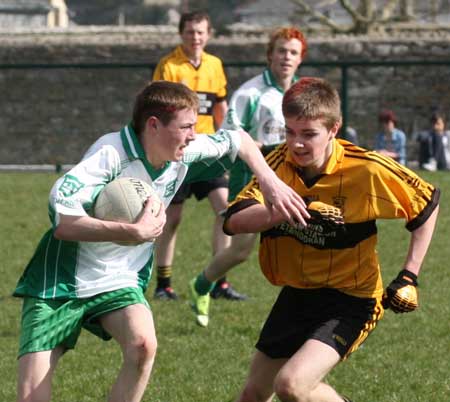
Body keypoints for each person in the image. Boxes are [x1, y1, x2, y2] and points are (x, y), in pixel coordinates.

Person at [14, 81, 310, 402]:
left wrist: (270, 183)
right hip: (61, 282)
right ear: (153, 125)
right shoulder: (110, 154)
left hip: (118, 279)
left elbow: (239, 140)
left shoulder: (181, 151)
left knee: (143, 344)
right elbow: (63, 221)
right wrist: (132, 232)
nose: (194, 135)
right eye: (186, 127)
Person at [222, 77, 439, 402]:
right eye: (290, 132)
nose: (296, 144)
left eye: (309, 134)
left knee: (291, 385)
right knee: (253, 393)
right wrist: (285, 208)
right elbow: (234, 220)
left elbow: (427, 203)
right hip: (298, 293)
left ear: (334, 129)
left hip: (352, 299)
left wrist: (409, 274)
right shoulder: (278, 164)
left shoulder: (367, 169)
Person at [189, 26, 307, 326]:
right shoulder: (251, 93)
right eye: (281, 50)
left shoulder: (302, 93)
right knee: (240, 251)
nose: (286, 57)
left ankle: (302, 314)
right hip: (251, 181)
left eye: (293, 52)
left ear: (300, 59)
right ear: (270, 55)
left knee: (304, 237)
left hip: (293, 179)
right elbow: (228, 134)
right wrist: (253, 146)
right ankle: (201, 284)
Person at [152, 11, 245, 300]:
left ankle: (219, 282)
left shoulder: (215, 65)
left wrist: (227, 135)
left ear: (209, 34)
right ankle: (163, 285)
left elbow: (220, 107)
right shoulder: (168, 66)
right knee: (172, 218)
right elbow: (156, 107)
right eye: (190, 32)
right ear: (182, 34)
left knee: (225, 211)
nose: (196, 37)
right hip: (178, 154)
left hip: (207, 153)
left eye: (201, 32)